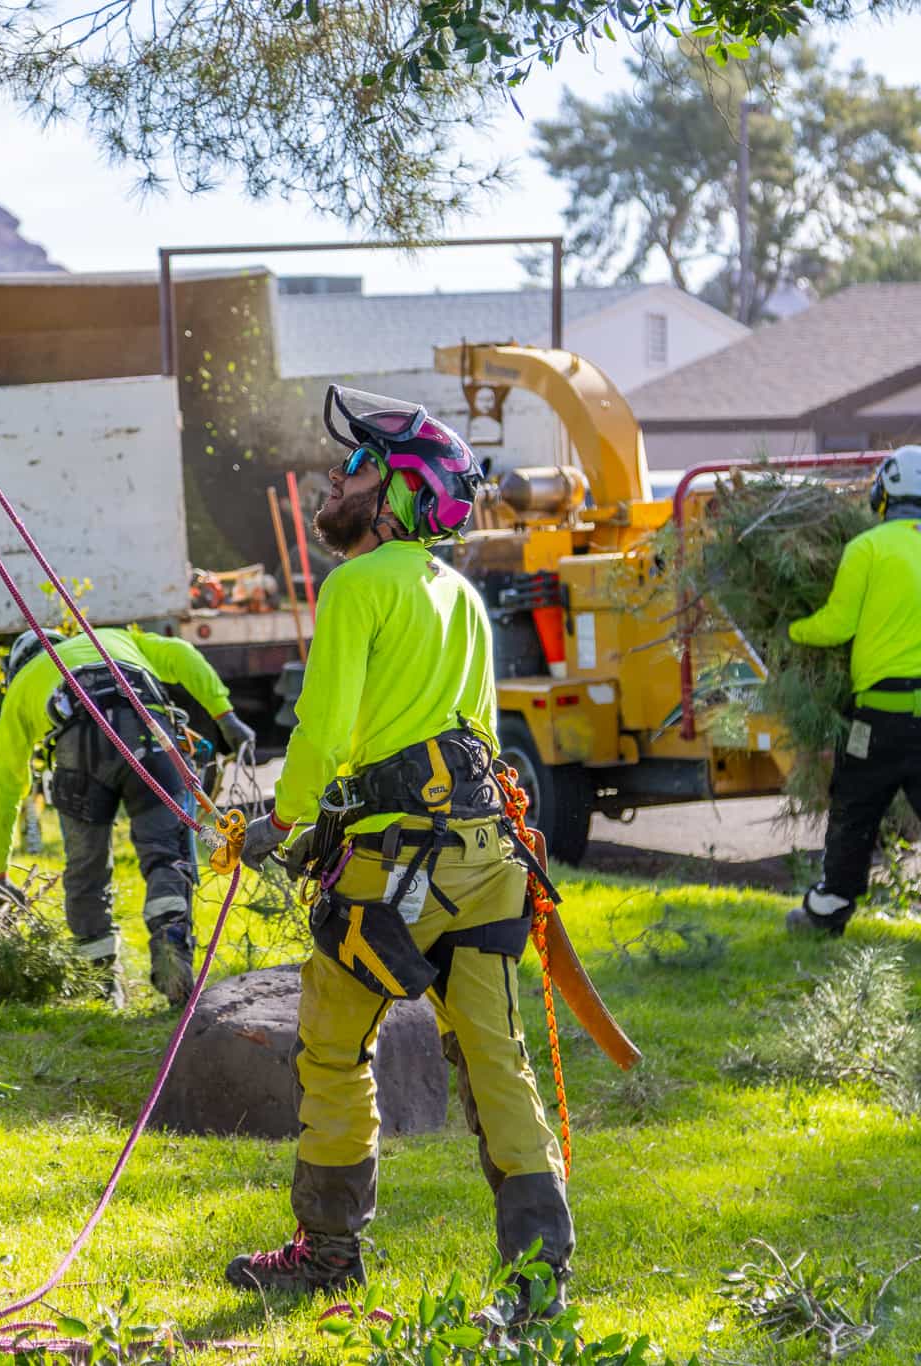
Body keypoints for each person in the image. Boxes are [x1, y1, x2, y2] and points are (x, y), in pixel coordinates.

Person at [227, 384, 574, 1315]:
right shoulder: (461, 597)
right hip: (486, 862)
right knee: (496, 1062)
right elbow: (470, 739)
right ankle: (538, 1279)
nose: (334, 480)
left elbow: (322, 730)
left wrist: (283, 823)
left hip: (396, 873)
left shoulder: (356, 586)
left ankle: (329, 1254)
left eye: (355, 467)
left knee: (334, 1049)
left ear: (401, 495)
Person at [785, 444, 921, 951]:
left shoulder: (867, 548)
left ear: (882, 495)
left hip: (880, 717)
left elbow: (837, 625)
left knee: (854, 810)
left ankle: (829, 907)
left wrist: (792, 631)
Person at [0, 623, 254, 1007]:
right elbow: (183, 655)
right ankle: (171, 943)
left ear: (15, 669)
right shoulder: (114, 638)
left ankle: (101, 981)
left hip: (80, 753)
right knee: (167, 853)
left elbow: (3, 790)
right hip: (149, 736)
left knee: (86, 869)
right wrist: (225, 715)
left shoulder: (22, 687)